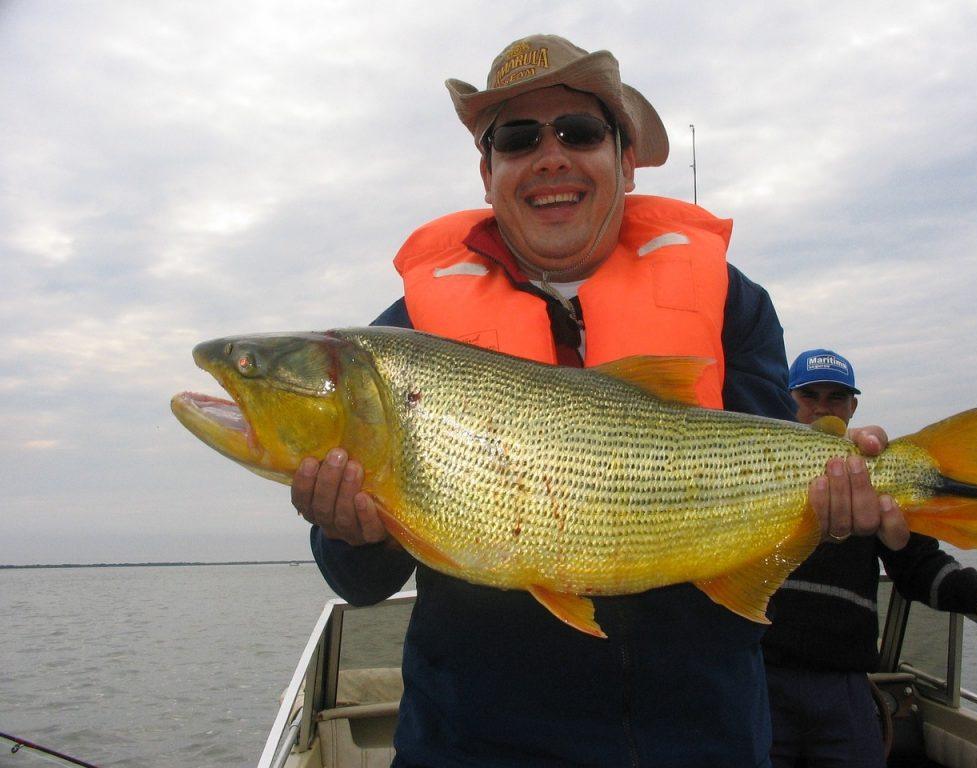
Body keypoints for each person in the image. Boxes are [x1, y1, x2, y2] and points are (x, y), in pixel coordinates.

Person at [291, 35, 905, 767]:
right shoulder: (403, 342)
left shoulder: (733, 305)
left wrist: (834, 506)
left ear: (625, 160)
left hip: (701, 738)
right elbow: (356, 580)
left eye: (578, 132)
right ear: (488, 175)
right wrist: (352, 532)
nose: (550, 156)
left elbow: (767, 489)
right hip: (470, 742)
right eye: (518, 139)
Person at [764, 349, 977, 768]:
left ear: (853, 407)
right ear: (787, 399)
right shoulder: (752, 468)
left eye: (836, 397)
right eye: (809, 395)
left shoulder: (873, 485)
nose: (821, 407)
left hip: (845, 687)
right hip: (761, 677)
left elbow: (918, 564)